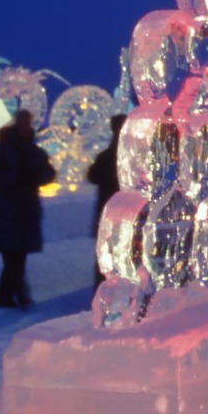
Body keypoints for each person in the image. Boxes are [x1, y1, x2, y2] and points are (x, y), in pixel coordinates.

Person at [0, 110, 55, 309]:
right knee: (13, 258)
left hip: (25, 210)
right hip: (8, 211)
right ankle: (10, 295)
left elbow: (48, 173)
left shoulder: (33, 150)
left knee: (18, 257)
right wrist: (15, 179)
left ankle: (12, 294)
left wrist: (35, 177)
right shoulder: (4, 150)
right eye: (22, 121)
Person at [86, 113, 125, 289]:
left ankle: (102, 286)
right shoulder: (129, 156)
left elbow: (92, 176)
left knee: (105, 251)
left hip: (107, 210)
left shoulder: (105, 156)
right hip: (125, 211)